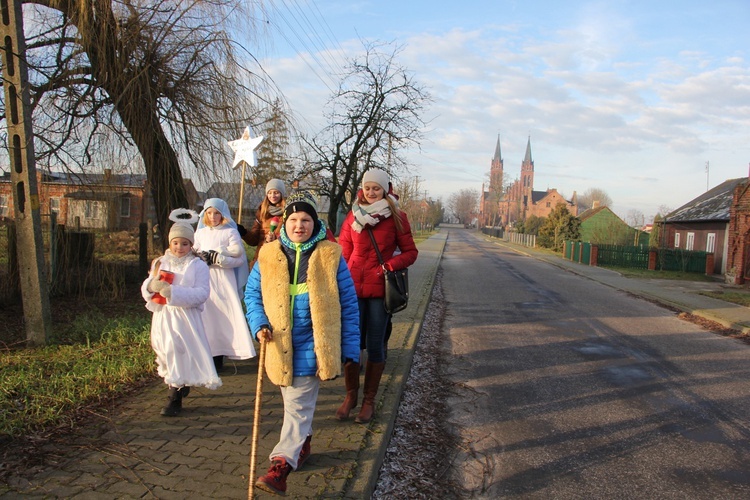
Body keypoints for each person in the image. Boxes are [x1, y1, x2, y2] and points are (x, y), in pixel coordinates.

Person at [245, 191, 360, 496]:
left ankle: (281, 466)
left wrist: (349, 349)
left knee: (297, 406)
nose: (299, 225)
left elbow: (348, 305)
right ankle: (303, 443)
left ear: (315, 223)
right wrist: (259, 324)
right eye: (294, 219)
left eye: (306, 219)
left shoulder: (330, 255)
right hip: (278, 346)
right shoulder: (268, 255)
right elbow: (252, 295)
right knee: (294, 404)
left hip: (313, 345)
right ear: (285, 222)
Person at [336, 169, 418, 424]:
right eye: (368, 188)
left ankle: (369, 401)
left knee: (374, 346)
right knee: (350, 346)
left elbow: (411, 252)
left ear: (385, 189)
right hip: (353, 291)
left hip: (380, 292)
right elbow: (344, 252)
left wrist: (390, 266)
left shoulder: (396, 217)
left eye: (377, 189)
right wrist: (342, 278)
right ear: (362, 189)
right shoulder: (353, 216)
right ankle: (351, 396)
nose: (372, 193)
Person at [141, 209, 221, 417]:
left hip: (185, 318)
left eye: (184, 243)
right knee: (164, 351)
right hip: (163, 316)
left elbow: (202, 293)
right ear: (170, 243)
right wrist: (151, 286)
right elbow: (148, 285)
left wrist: (173, 292)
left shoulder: (198, 265)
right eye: (176, 243)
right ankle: (179, 382)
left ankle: (174, 398)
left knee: (177, 351)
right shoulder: (160, 262)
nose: (180, 247)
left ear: (191, 244)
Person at [194, 198, 256, 372]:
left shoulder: (230, 233)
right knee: (206, 318)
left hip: (223, 282)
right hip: (204, 280)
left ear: (222, 214)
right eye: (209, 213)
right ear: (204, 214)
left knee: (222, 317)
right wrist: (201, 258)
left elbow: (239, 258)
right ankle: (208, 355)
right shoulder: (200, 233)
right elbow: (194, 252)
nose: (213, 217)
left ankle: (221, 354)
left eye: (216, 213)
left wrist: (219, 259)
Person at [238, 178, 286, 255]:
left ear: (282, 194)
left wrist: (276, 239)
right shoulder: (262, 210)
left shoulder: (287, 212)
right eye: (270, 193)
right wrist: (244, 232)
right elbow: (254, 240)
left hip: (279, 255)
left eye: (276, 192)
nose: (272, 196)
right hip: (261, 255)